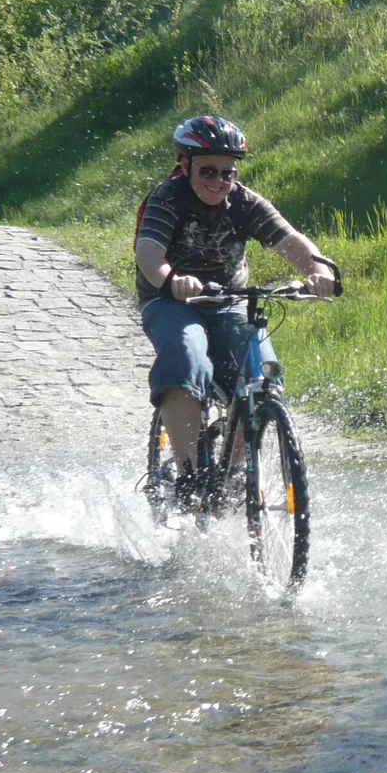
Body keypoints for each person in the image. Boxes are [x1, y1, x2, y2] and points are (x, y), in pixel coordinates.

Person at [133, 115, 341, 502]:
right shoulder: (166, 199)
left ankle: (233, 476)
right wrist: (170, 278)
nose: (218, 181)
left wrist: (319, 271)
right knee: (185, 359)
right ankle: (189, 476)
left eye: (227, 173)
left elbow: (290, 240)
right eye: (208, 171)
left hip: (229, 300)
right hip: (172, 301)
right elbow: (148, 253)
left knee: (262, 378)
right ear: (185, 165)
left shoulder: (244, 202)